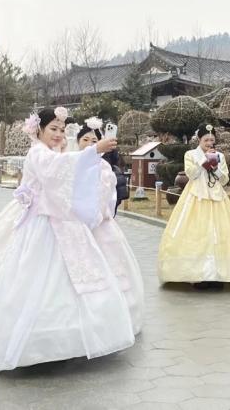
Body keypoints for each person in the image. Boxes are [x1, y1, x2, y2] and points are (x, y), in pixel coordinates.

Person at [0, 107, 136, 371]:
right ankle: (39, 338)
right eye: (53, 128)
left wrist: (92, 159)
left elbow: (67, 174)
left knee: (67, 279)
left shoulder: (52, 153)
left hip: (61, 220)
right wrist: (93, 151)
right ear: (38, 129)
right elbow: (58, 169)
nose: (58, 134)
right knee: (38, 277)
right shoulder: (38, 153)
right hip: (40, 223)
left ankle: (63, 337)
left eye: (62, 130)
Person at [157, 123, 230, 288]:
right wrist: (203, 162)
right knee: (197, 235)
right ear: (199, 139)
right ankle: (198, 274)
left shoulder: (220, 156)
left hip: (217, 198)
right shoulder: (190, 154)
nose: (209, 143)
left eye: (212, 140)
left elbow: (224, 179)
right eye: (206, 140)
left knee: (218, 235)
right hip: (196, 198)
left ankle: (217, 275)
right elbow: (191, 174)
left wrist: (215, 167)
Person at [75, 122, 144, 333]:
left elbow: (109, 198)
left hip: (100, 224)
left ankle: (110, 316)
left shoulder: (105, 168)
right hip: (76, 225)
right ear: (77, 142)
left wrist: (98, 215)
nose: (89, 144)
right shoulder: (71, 163)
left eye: (94, 140)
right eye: (85, 140)